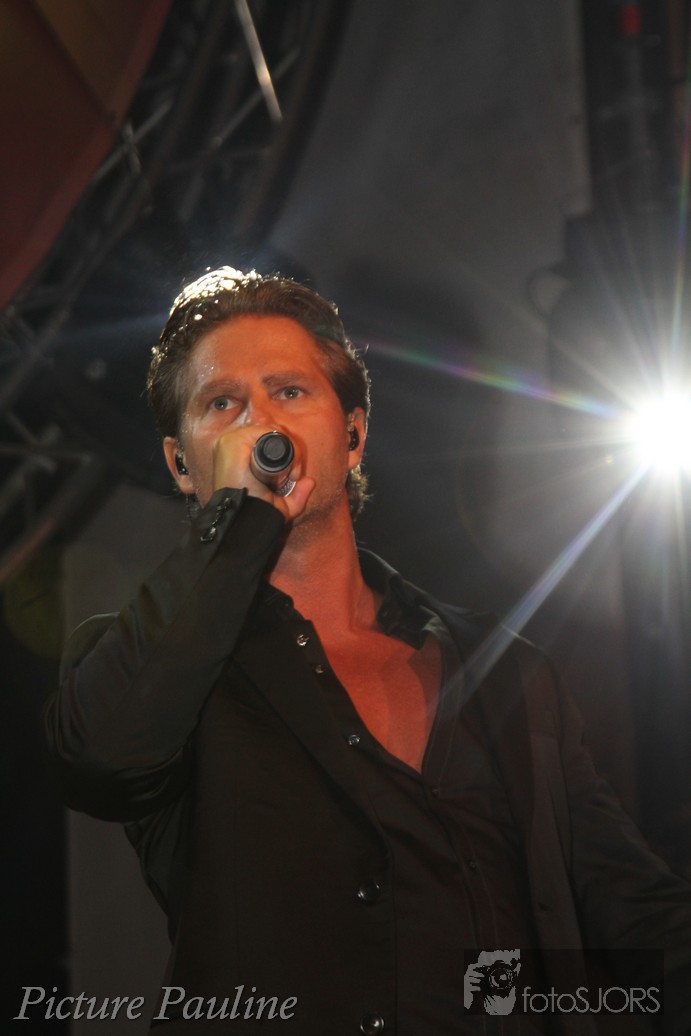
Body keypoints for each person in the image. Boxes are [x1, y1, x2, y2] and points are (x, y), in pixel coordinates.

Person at [44, 267, 691, 1035]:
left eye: (288, 391)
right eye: (223, 404)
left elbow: (635, 911)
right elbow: (99, 760)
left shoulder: (503, 668)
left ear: (352, 435)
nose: (260, 423)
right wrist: (237, 523)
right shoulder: (156, 668)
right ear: (182, 465)